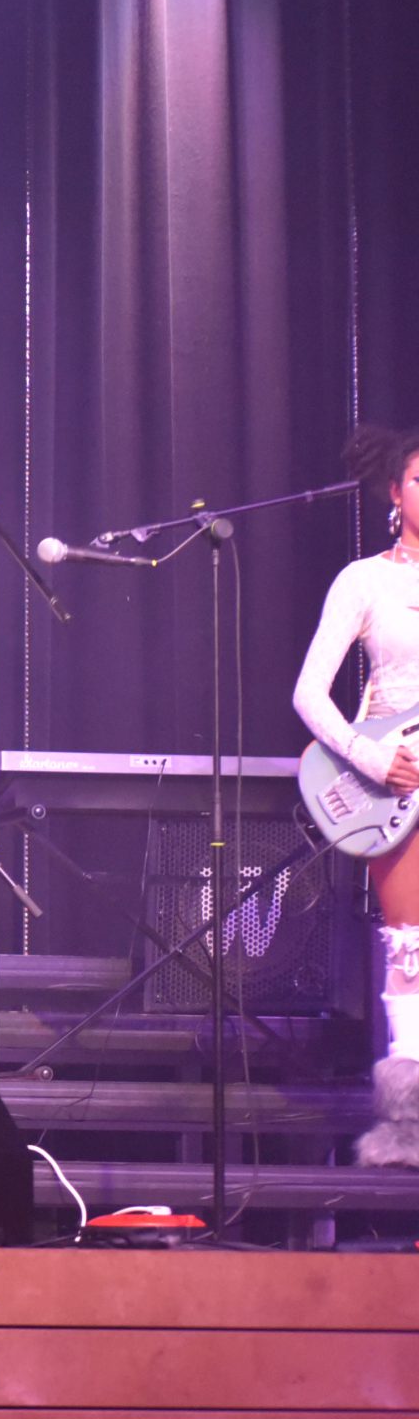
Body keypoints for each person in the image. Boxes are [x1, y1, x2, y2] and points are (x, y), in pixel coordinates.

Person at [292, 422, 419, 1167]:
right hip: (396, 784)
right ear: (394, 492)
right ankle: (411, 1124)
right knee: (414, 943)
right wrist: (372, 756)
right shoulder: (363, 581)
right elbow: (310, 692)